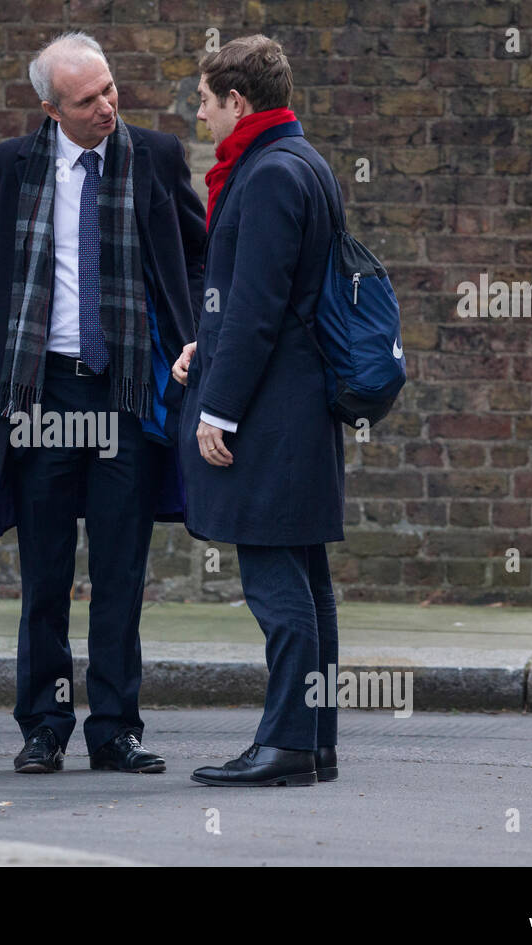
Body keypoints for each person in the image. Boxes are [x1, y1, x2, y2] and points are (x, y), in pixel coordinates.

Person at [0, 32, 206, 774]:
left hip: (125, 390)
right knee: (47, 570)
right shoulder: (5, 171)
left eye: (110, 89)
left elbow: (197, 250)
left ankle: (116, 728)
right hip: (43, 391)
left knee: (122, 568)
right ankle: (45, 724)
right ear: (51, 108)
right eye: (87, 100)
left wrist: (189, 337)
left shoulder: (153, 155)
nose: (106, 107)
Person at [171, 35, 344, 787]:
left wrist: (218, 408)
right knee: (306, 576)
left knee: (276, 583)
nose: (201, 117)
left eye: (205, 103)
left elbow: (259, 308)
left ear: (236, 101)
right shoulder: (303, 160)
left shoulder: (269, 173)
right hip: (293, 405)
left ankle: (285, 746)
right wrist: (200, 348)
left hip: (273, 414)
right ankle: (316, 742)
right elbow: (250, 303)